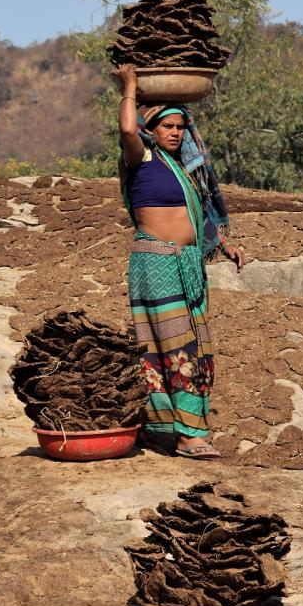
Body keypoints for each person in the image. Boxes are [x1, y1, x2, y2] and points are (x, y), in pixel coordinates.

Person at [116, 63, 245, 460]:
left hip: (188, 265)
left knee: (196, 348)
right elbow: (125, 129)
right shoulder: (141, 159)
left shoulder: (187, 173)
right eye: (167, 126)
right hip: (156, 264)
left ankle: (172, 429)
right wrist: (131, 86)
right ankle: (187, 437)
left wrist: (222, 244)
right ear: (151, 129)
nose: (174, 132)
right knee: (173, 347)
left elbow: (198, 214)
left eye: (180, 127)